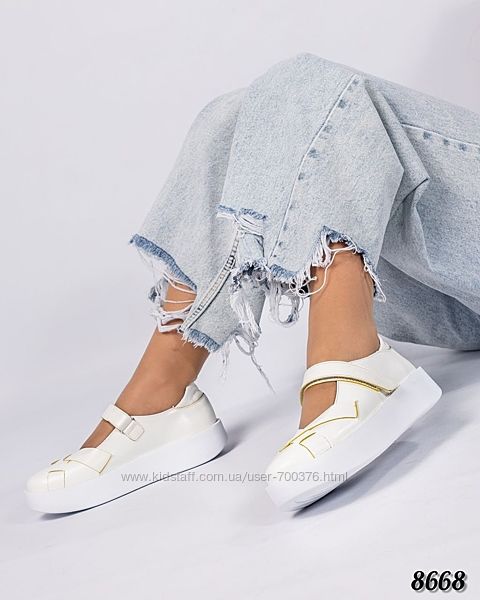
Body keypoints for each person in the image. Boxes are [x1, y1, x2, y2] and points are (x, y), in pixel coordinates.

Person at [25, 54, 480, 513]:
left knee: (305, 85)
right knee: (236, 118)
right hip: (454, 297)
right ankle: (165, 392)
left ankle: (351, 355)